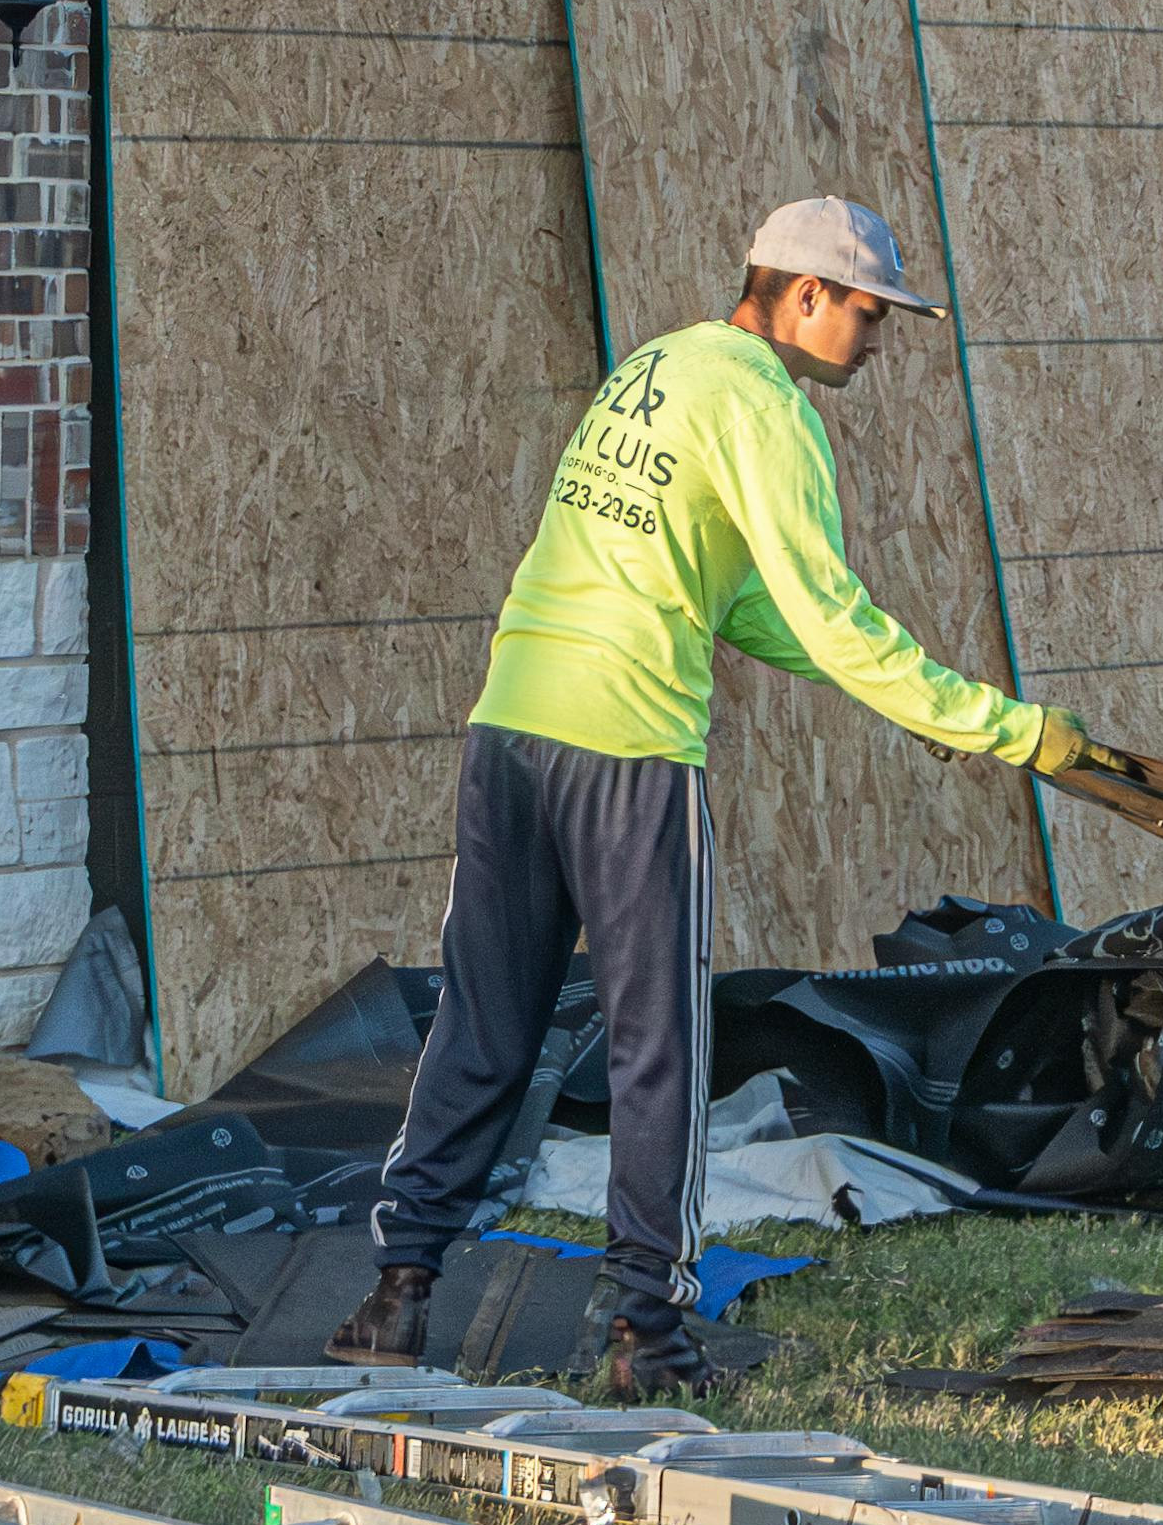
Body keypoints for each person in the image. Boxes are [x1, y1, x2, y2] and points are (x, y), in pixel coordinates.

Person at [339, 195, 1090, 1402]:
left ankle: (395, 1295)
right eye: (868, 311)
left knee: (483, 1021)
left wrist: (909, 702)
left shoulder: (655, 370)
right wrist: (996, 723)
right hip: (629, 744)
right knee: (661, 1047)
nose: (877, 338)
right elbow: (833, 614)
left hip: (512, 724)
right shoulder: (767, 406)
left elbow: (740, 604)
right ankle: (649, 1331)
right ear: (804, 292)